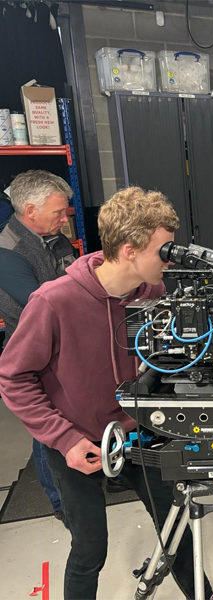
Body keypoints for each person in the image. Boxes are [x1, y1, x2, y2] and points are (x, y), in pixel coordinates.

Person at [0, 187, 212, 600]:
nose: (170, 259)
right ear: (130, 250)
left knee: (179, 531)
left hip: (139, 434)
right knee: (89, 548)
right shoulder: (53, 301)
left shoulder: (153, 294)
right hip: (76, 441)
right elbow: (13, 377)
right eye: (163, 250)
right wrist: (64, 439)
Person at [0, 170, 76, 523]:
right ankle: (59, 501)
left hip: (67, 342)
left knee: (80, 409)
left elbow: (74, 278)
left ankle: (102, 469)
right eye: (59, 211)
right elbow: (39, 304)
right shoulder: (7, 251)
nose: (65, 218)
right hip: (34, 353)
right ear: (31, 210)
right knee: (47, 427)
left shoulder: (54, 237)